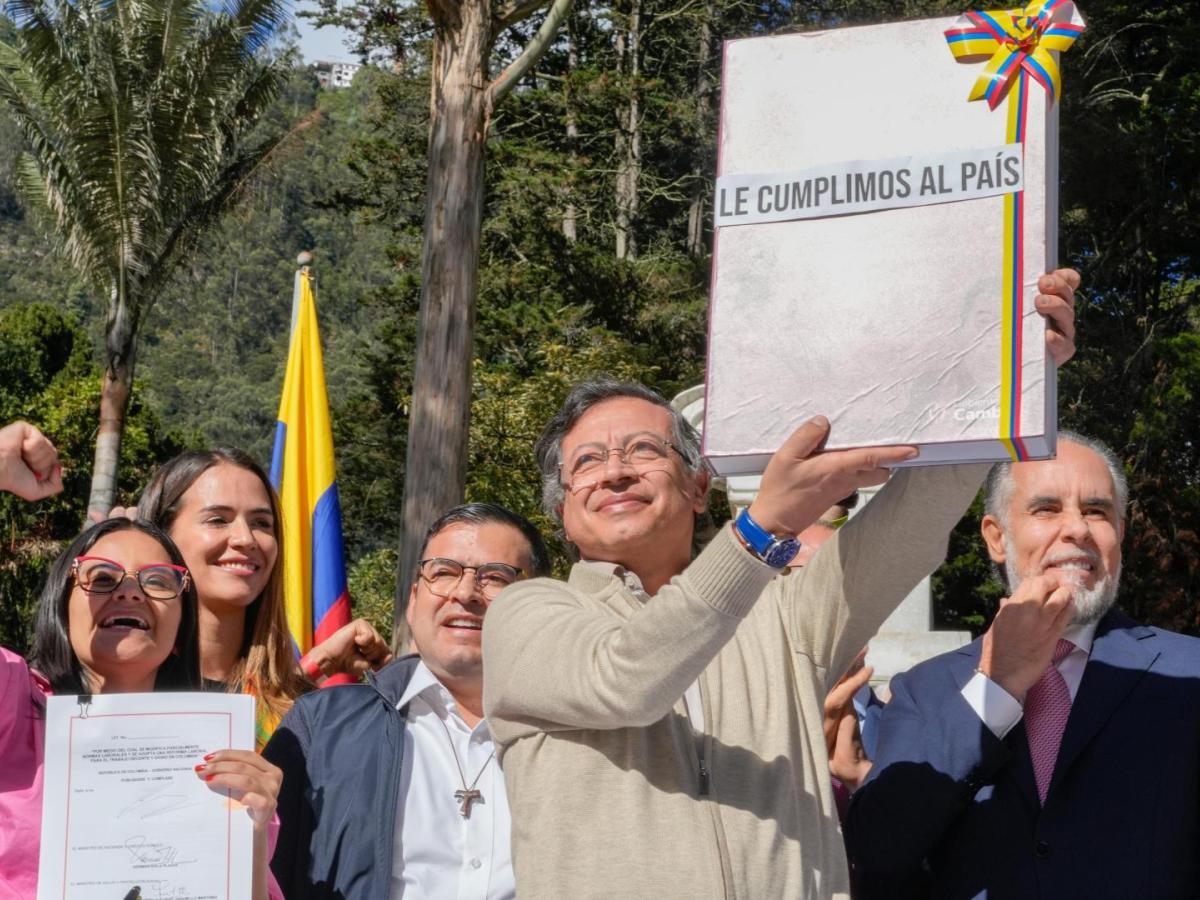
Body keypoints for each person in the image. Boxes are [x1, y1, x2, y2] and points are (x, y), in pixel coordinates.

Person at [481, 271, 1078, 899]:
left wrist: (1008, 375)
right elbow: (627, 681)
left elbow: (910, 523)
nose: (616, 473)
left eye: (642, 450)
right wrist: (766, 525)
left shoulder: (782, 615)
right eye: (587, 462)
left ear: (697, 487)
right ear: (562, 511)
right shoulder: (526, 613)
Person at [844, 433, 1200, 899]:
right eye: (1047, 509)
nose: (1077, 529)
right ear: (996, 537)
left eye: (1096, 511)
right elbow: (880, 849)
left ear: (1121, 535)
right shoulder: (925, 690)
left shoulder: (1188, 675)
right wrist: (997, 689)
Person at [0, 423, 283, 900]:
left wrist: (250, 840)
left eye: (158, 580)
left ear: (179, 630)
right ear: (60, 607)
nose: (130, 590)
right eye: (103, 577)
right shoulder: (13, 704)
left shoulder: (225, 761)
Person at [266, 502, 551, 900]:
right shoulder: (321, 727)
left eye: (495, 578)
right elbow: (259, 875)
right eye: (445, 572)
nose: (465, 592)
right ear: (414, 600)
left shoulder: (581, 737)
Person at [133, 448, 392, 748]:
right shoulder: (116, 693)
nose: (246, 538)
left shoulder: (301, 718)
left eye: (261, 523)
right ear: (162, 536)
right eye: (218, 519)